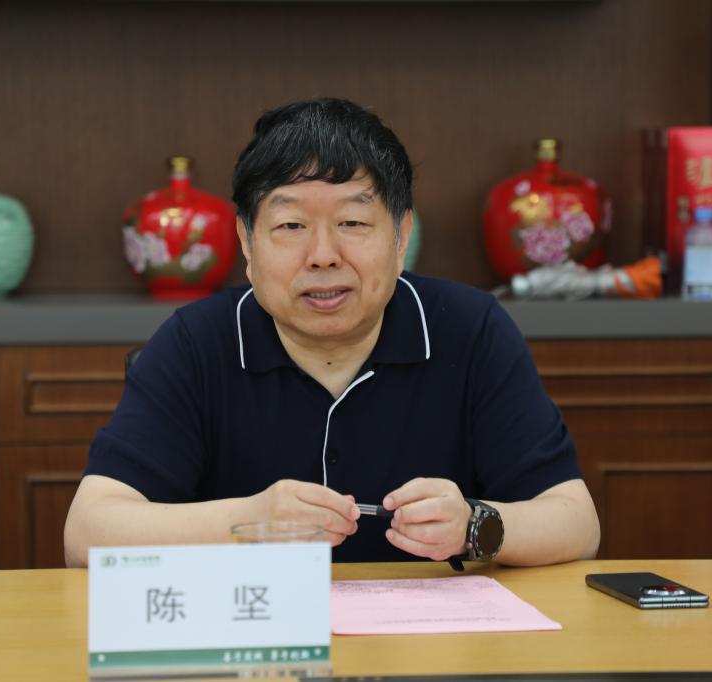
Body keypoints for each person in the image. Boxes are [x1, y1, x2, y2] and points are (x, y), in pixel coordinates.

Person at [64, 98, 599, 567]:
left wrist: (474, 525)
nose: (322, 256)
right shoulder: (196, 342)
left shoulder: (471, 329)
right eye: (291, 226)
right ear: (247, 242)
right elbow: (87, 533)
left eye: (353, 223)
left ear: (401, 236)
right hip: (257, 636)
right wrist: (248, 521)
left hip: (434, 639)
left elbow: (576, 523)